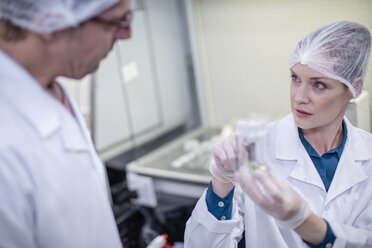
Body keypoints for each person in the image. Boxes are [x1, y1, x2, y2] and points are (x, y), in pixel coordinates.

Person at [184, 21, 372, 247]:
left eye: (319, 85)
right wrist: (221, 184)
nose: (299, 97)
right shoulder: (255, 150)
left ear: (354, 87)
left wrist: (310, 225)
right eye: (295, 78)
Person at [0, 0, 132, 247]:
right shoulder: (6, 147)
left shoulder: (50, 87)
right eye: (115, 22)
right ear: (49, 23)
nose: (127, 35)